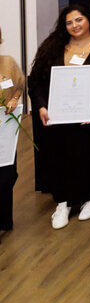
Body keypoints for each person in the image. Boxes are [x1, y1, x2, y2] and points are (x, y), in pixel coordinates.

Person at [29, 5, 90, 229]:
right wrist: (40, 106)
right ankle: (64, 201)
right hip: (57, 114)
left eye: (79, 20)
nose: (74, 26)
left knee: (85, 151)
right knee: (59, 154)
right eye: (69, 22)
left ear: (89, 19)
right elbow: (36, 79)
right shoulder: (54, 44)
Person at [0, 28, 25, 237]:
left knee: (8, 174)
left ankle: (5, 219)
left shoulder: (7, 62)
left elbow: (19, 85)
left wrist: (14, 98)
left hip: (5, 128)